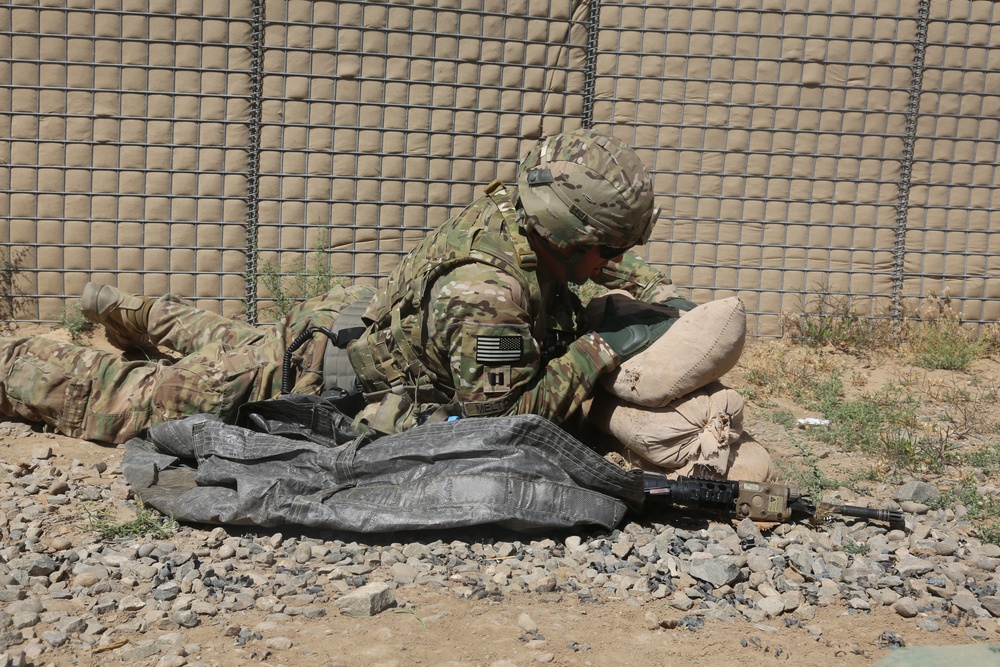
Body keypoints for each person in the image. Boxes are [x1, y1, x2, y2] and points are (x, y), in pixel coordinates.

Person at [0, 128, 770, 480]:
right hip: (308, 375)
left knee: (220, 336)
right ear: (568, 231)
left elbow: (590, 281)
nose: (615, 266)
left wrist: (640, 297)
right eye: (608, 250)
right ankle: (15, 358)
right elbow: (503, 417)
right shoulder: (487, 292)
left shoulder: (521, 216)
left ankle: (131, 309)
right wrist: (600, 349)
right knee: (125, 398)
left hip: (345, 326)